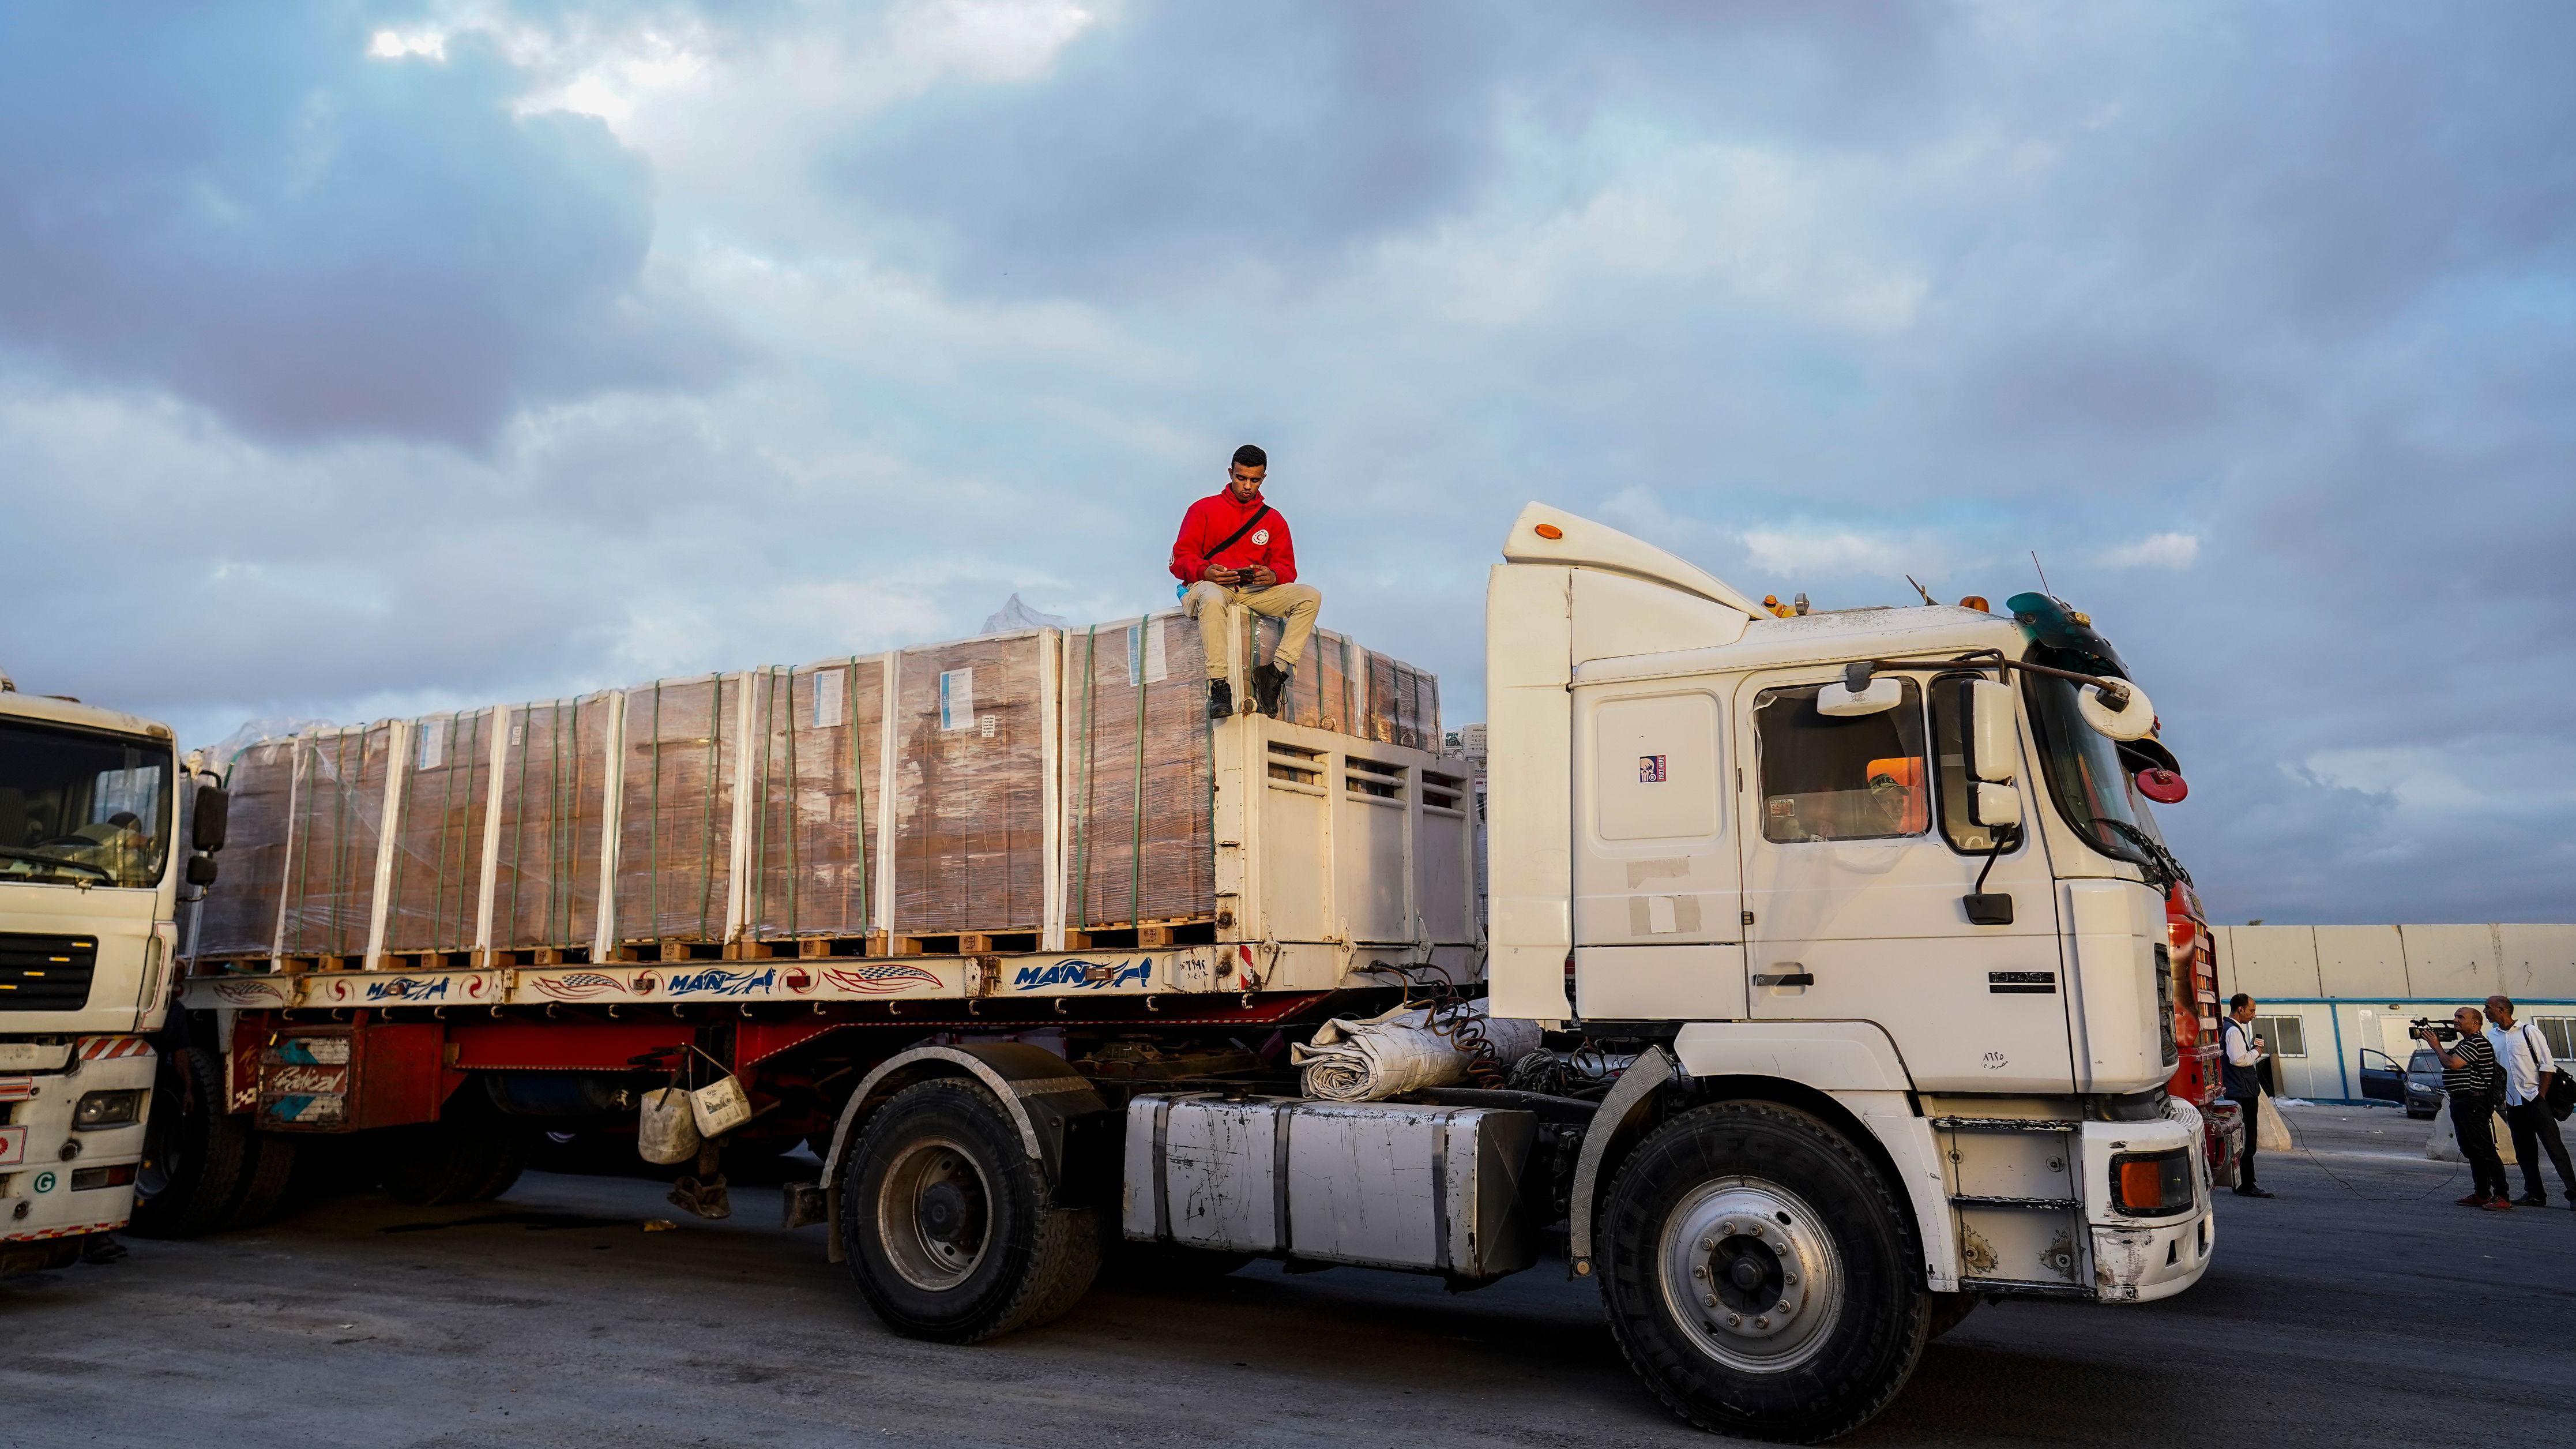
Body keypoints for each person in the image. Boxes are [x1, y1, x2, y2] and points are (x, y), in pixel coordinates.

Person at [1171, 444, 1322, 720]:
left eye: (1254, 480)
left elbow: (1287, 567)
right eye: (1241, 478)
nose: (1247, 486)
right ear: (1231, 473)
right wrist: (1206, 571)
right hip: (1212, 587)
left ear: (1264, 478)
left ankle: (1275, 673)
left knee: (1310, 596)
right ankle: (1218, 686)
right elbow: (1179, 559)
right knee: (1213, 599)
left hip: (1253, 592)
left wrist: (1273, 575)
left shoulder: (1274, 520)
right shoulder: (1202, 509)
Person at [2486, 995, 2574, 1210]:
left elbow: (2547, 1066)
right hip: (2513, 1103)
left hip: (2535, 1099)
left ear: (2502, 1010)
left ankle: (2573, 1193)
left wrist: (2541, 1096)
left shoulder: (2528, 1032)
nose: (2485, 1011)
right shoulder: (2492, 1036)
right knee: (2524, 1151)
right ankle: (2535, 1194)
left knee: (2555, 1148)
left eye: (2488, 1008)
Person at [2423, 1007, 2510, 1209]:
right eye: (2455, 1017)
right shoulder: (2465, 1043)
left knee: (2485, 1149)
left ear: (2476, 1024)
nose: (2456, 1021)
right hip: (2461, 1102)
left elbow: (2452, 1064)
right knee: (2472, 1150)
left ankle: (2502, 1196)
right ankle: (2482, 1193)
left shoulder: (2477, 1043)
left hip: (2474, 1103)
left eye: (2461, 1017)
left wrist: (2436, 1045)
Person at [2221, 994, 2272, 1198]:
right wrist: (2257, 1052)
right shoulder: (2233, 1031)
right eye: (2251, 1010)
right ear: (2240, 1009)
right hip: (2242, 1093)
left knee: (2244, 1139)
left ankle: (2244, 1183)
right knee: (2248, 1140)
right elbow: (2238, 1060)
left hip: (2241, 1091)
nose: (2253, 1015)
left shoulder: (2231, 1029)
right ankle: (2246, 1185)